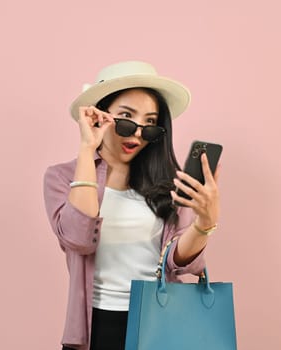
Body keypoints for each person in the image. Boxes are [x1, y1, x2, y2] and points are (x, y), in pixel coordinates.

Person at [43, 61, 220, 350]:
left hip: (158, 321)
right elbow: (78, 238)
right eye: (126, 118)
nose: (138, 133)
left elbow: (180, 261)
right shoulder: (61, 177)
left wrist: (204, 224)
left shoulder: (170, 184)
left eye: (150, 124)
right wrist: (88, 149)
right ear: (99, 115)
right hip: (93, 327)